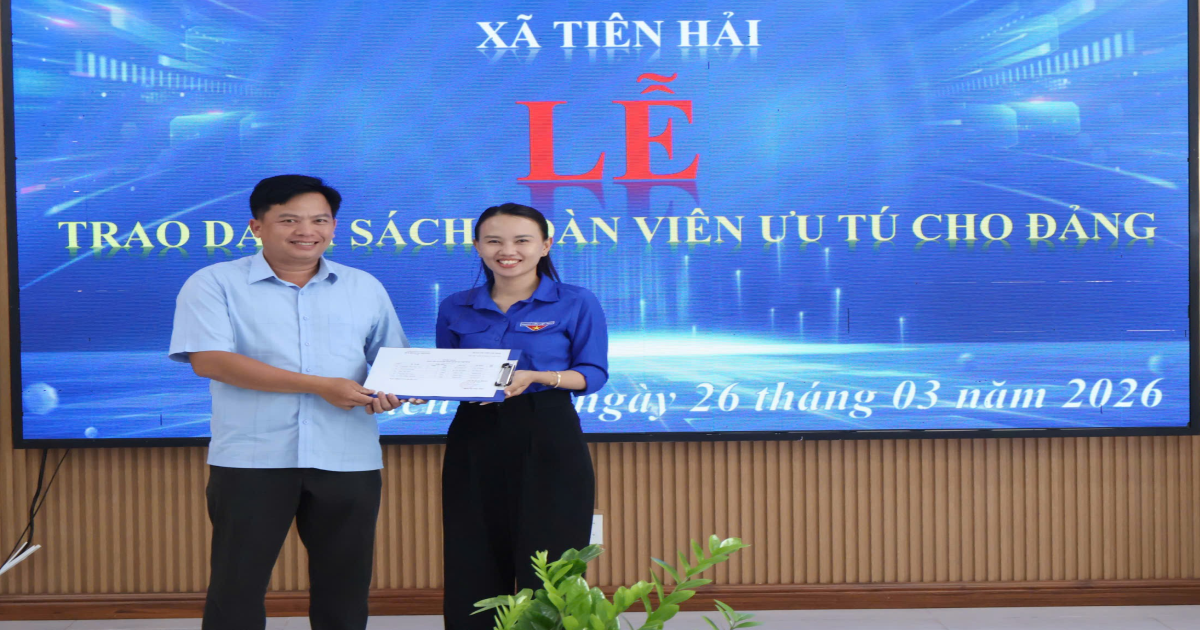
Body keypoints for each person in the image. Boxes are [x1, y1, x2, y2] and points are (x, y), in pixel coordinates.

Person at [169, 174, 409, 630]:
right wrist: (319, 385)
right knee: (236, 588)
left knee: (345, 587)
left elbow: (391, 363)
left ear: (333, 226)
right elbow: (210, 360)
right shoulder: (214, 282)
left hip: (347, 457)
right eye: (289, 220)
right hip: (252, 459)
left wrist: (396, 391)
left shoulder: (364, 287)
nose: (307, 231)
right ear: (257, 226)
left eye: (320, 220)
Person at [436, 202, 609, 630]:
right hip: (474, 434)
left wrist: (539, 376)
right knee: (472, 557)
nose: (507, 251)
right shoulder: (456, 306)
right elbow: (446, 369)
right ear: (477, 246)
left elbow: (593, 374)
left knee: (552, 564)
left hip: (548, 429)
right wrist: (421, 388)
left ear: (545, 245)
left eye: (521, 240)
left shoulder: (575, 301)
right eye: (494, 241)